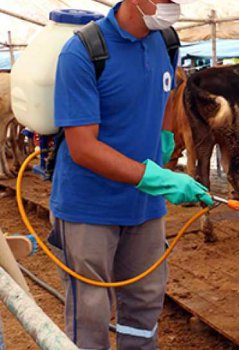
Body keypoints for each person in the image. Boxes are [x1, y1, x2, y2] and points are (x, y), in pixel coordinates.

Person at [48, 0, 209, 349]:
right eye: (166, 1)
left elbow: (167, 96)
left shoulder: (167, 41)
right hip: (89, 207)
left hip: (144, 207)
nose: (174, 6)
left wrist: (165, 141)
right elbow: (83, 148)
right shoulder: (84, 52)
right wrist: (158, 179)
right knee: (90, 311)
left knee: (145, 302)